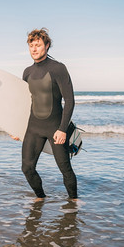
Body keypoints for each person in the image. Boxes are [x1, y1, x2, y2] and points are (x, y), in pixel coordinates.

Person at [11, 28, 78, 201]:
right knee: (27, 168)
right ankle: (41, 198)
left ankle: (74, 201)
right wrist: (16, 128)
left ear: (47, 46)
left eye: (38, 45)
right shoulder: (27, 72)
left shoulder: (58, 68)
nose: (34, 49)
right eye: (31, 45)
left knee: (65, 168)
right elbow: (25, 103)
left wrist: (63, 129)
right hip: (34, 128)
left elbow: (69, 101)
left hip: (55, 128)